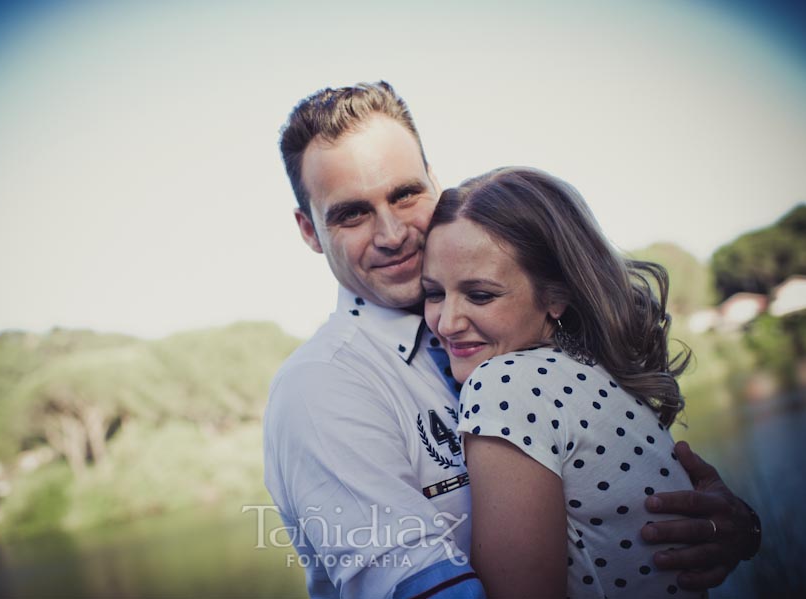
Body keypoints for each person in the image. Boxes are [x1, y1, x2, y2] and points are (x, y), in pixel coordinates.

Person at [263, 82, 760, 599]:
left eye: (405, 193)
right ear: (309, 231)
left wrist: (736, 529)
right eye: (352, 213)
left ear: (435, 183)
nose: (392, 234)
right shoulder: (322, 389)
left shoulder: (541, 341)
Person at [423, 166, 720, 597]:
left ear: (556, 295)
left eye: (481, 295)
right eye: (434, 293)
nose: (446, 322)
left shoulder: (504, 384)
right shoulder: (593, 371)